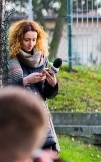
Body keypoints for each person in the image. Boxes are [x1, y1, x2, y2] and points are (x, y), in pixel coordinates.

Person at [5, 19, 60, 154]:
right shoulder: (10, 59)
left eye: (34, 40)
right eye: (27, 40)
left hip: (40, 115)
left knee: (45, 157)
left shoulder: (41, 59)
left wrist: (52, 84)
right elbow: (5, 90)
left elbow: (47, 94)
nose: (31, 44)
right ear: (18, 39)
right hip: (18, 116)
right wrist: (26, 81)